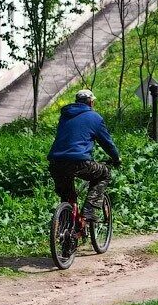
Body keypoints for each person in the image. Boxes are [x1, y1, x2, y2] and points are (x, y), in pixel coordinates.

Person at [48, 89, 121, 222]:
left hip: (56, 162)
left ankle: (67, 231)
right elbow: (107, 143)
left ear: (77, 102)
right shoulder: (94, 118)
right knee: (104, 174)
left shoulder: (65, 115)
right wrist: (116, 158)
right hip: (79, 162)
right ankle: (89, 210)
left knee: (68, 197)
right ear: (91, 102)